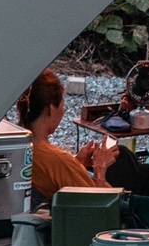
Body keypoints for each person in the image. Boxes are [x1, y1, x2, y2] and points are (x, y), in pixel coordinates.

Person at [18, 69, 119, 200]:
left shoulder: (20, 149)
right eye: (62, 104)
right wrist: (100, 166)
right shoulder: (58, 159)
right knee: (141, 170)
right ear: (51, 108)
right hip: (99, 211)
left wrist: (78, 162)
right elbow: (97, 207)